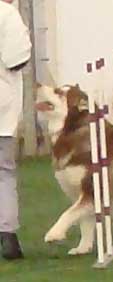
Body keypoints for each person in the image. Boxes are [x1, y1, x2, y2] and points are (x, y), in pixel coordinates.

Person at [0, 0, 31, 260]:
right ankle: (7, 235)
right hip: (2, 108)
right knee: (4, 174)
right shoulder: (7, 14)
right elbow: (17, 60)